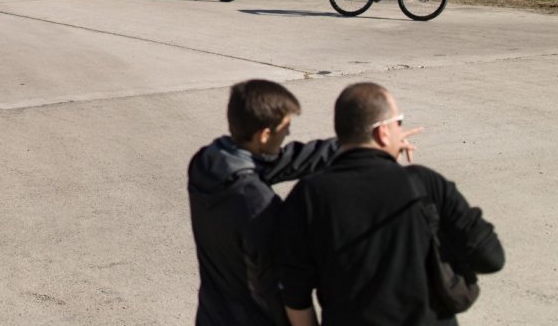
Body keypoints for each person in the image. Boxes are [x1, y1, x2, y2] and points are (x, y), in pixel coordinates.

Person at [276, 83, 504, 326]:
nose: (401, 130)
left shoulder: (308, 195)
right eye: (399, 122)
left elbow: (295, 293)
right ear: (382, 132)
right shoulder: (425, 184)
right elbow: (491, 258)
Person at [188, 80, 337, 326]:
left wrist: (356, 145)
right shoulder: (258, 204)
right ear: (264, 135)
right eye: (285, 127)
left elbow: (288, 160)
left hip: (210, 316)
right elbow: (278, 289)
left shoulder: (205, 163)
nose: (288, 134)